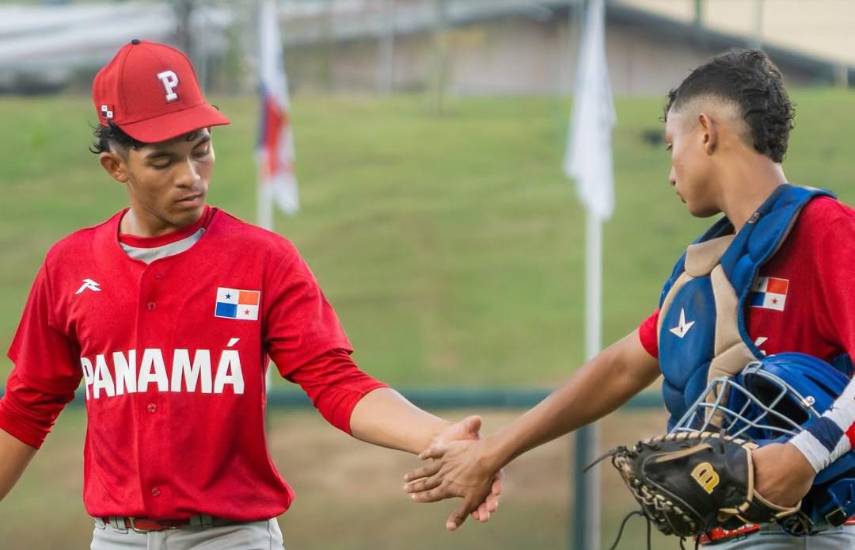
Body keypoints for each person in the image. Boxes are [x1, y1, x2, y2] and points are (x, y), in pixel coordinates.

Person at [0, 39, 500, 549]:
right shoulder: (70, 265)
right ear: (116, 167)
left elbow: (335, 381)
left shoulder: (263, 259)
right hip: (115, 540)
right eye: (163, 161)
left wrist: (438, 437)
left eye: (201, 149)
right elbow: (27, 407)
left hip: (232, 539)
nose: (190, 176)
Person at [403, 49, 855, 548]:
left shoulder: (826, 231)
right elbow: (621, 366)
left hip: (814, 534)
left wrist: (805, 453)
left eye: (670, 146)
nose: (670, 172)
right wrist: (494, 453)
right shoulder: (709, 269)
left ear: (705, 131)